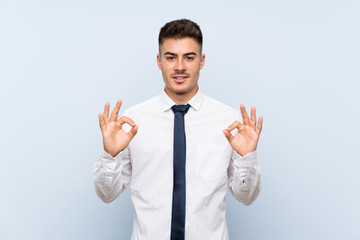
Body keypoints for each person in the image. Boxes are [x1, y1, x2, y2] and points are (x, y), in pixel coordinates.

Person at [93, 19, 263, 240]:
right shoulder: (132, 122)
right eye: (171, 57)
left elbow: (247, 197)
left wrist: (246, 158)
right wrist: (110, 155)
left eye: (189, 57)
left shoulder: (230, 123)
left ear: (201, 61)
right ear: (159, 61)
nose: (180, 66)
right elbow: (107, 195)